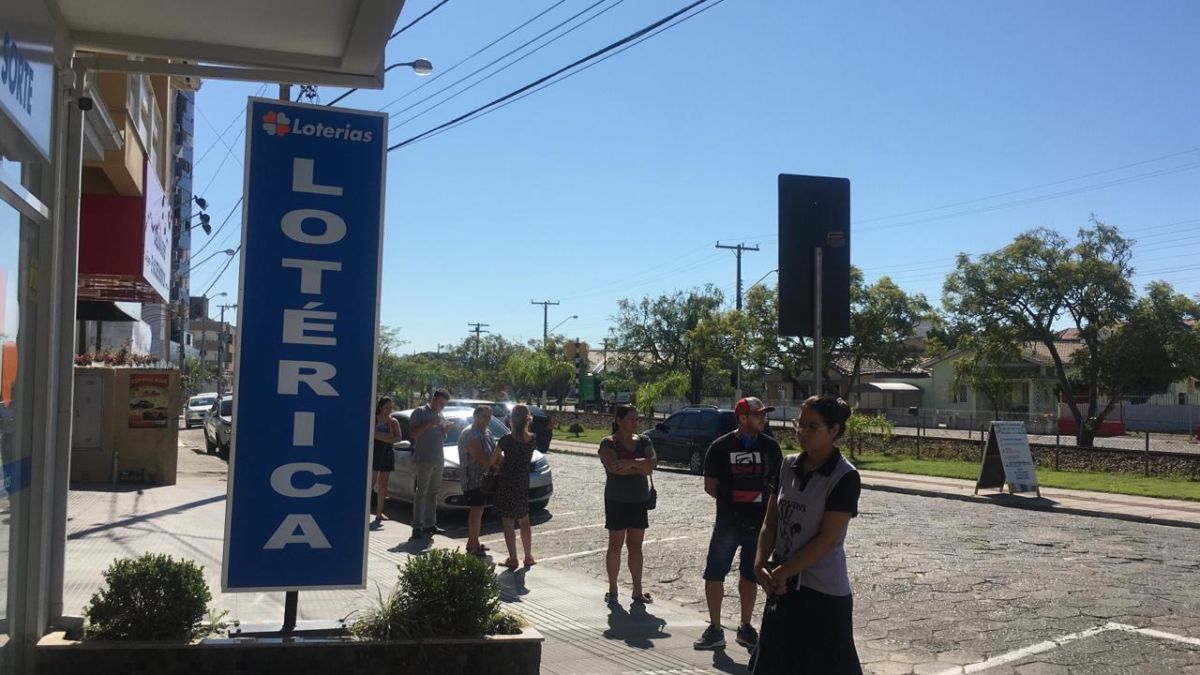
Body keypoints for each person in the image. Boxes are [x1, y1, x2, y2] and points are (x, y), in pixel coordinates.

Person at [750, 395, 862, 674]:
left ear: (834, 430)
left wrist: (783, 571)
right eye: (800, 424)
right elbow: (771, 522)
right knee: (773, 663)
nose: (803, 432)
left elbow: (827, 539)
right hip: (783, 586)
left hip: (822, 591)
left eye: (813, 427)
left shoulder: (844, 476)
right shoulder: (788, 465)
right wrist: (760, 564)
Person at [694, 396, 784, 652]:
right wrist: (736, 503)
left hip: (759, 525)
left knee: (750, 575)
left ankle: (745, 627)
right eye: (758, 414)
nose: (763, 419)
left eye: (764, 414)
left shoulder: (770, 447)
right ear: (742, 417)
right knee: (714, 574)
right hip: (728, 524)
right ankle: (715, 628)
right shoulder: (720, 447)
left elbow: (776, 486)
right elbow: (710, 486)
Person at [598, 404, 657, 605]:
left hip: (639, 500)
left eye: (636, 418)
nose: (635, 422)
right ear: (619, 420)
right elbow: (615, 469)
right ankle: (613, 589)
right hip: (616, 500)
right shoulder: (608, 443)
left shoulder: (644, 440)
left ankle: (637, 590)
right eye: (631, 418)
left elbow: (652, 465)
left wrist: (631, 463)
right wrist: (640, 466)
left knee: (636, 547)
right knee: (615, 545)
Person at [494, 403, 538, 569]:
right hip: (522, 482)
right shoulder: (532, 439)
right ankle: (528, 556)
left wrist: (501, 463)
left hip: (507, 482)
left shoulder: (506, 440)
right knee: (524, 520)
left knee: (508, 522)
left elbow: (493, 459)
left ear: (511, 419)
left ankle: (513, 558)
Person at [409, 388, 452, 539]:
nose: (442, 406)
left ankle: (430, 524)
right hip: (424, 458)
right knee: (421, 492)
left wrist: (445, 429)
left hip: (438, 458)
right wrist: (428, 424)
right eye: (440, 403)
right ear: (433, 398)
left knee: (433, 493)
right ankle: (417, 526)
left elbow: (441, 437)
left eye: (444, 404)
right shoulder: (420, 412)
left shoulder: (440, 414)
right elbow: (413, 433)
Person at [458, 404, 499, 556]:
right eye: (484, 417)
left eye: (489, 417)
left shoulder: (487, 433)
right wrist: (495, 462)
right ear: (476, 416)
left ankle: (473, 542)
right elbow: (483, 459)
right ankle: (474, 546)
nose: (487, 420)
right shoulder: (470, 433)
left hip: (484, 480)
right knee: (476, 510)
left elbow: (494, 453)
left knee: (480, 510)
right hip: (472, 479)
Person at [371, 397, 400, 528]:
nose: (389, 410)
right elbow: (373, 434)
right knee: (371, 482)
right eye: (386, 407)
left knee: (383, 483)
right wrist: (387, 437)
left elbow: (398, 437)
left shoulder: (394, 422)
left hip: (387, 453)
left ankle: (379, 512)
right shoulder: (374, 419)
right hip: (375, 453)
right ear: (381, 407)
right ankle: (365, 509)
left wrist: (385, 438)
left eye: (390, 407)